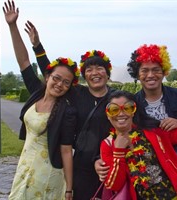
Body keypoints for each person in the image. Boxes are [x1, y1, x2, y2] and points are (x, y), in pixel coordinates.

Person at [23, 21, 116, 199]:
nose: (95, 72)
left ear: (107, 72)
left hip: (109, 165)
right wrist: (37, 46)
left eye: (100, 68)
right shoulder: (77, 94)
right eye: (89, 69)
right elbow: (53, 74)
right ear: (84, 75)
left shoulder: (117, 98)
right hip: (81, 166)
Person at [3, 1, 80, 199]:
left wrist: (69, 189)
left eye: (66, 82)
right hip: (25, 165)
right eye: (56, 78)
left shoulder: (66, 111)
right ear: (47, 78)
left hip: (48, 173)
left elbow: (66, 151)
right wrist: (12, 26)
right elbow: (23, 61)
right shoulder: (36, 93)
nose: (60, 84)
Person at [127, 44, 177, 199]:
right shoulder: (133, 104)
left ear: (164, 72)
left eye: (156, 70)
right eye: (145, 70)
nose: (150, 75)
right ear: (137, 74)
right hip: (153, 183)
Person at [101, 77, 177, 200]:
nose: (121, 114)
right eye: (114, 110)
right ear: (108, 115)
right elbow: (114, 185)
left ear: (134, 111)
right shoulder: (108, 144)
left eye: (127, 108)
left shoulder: (152, 131)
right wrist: (118, 153)